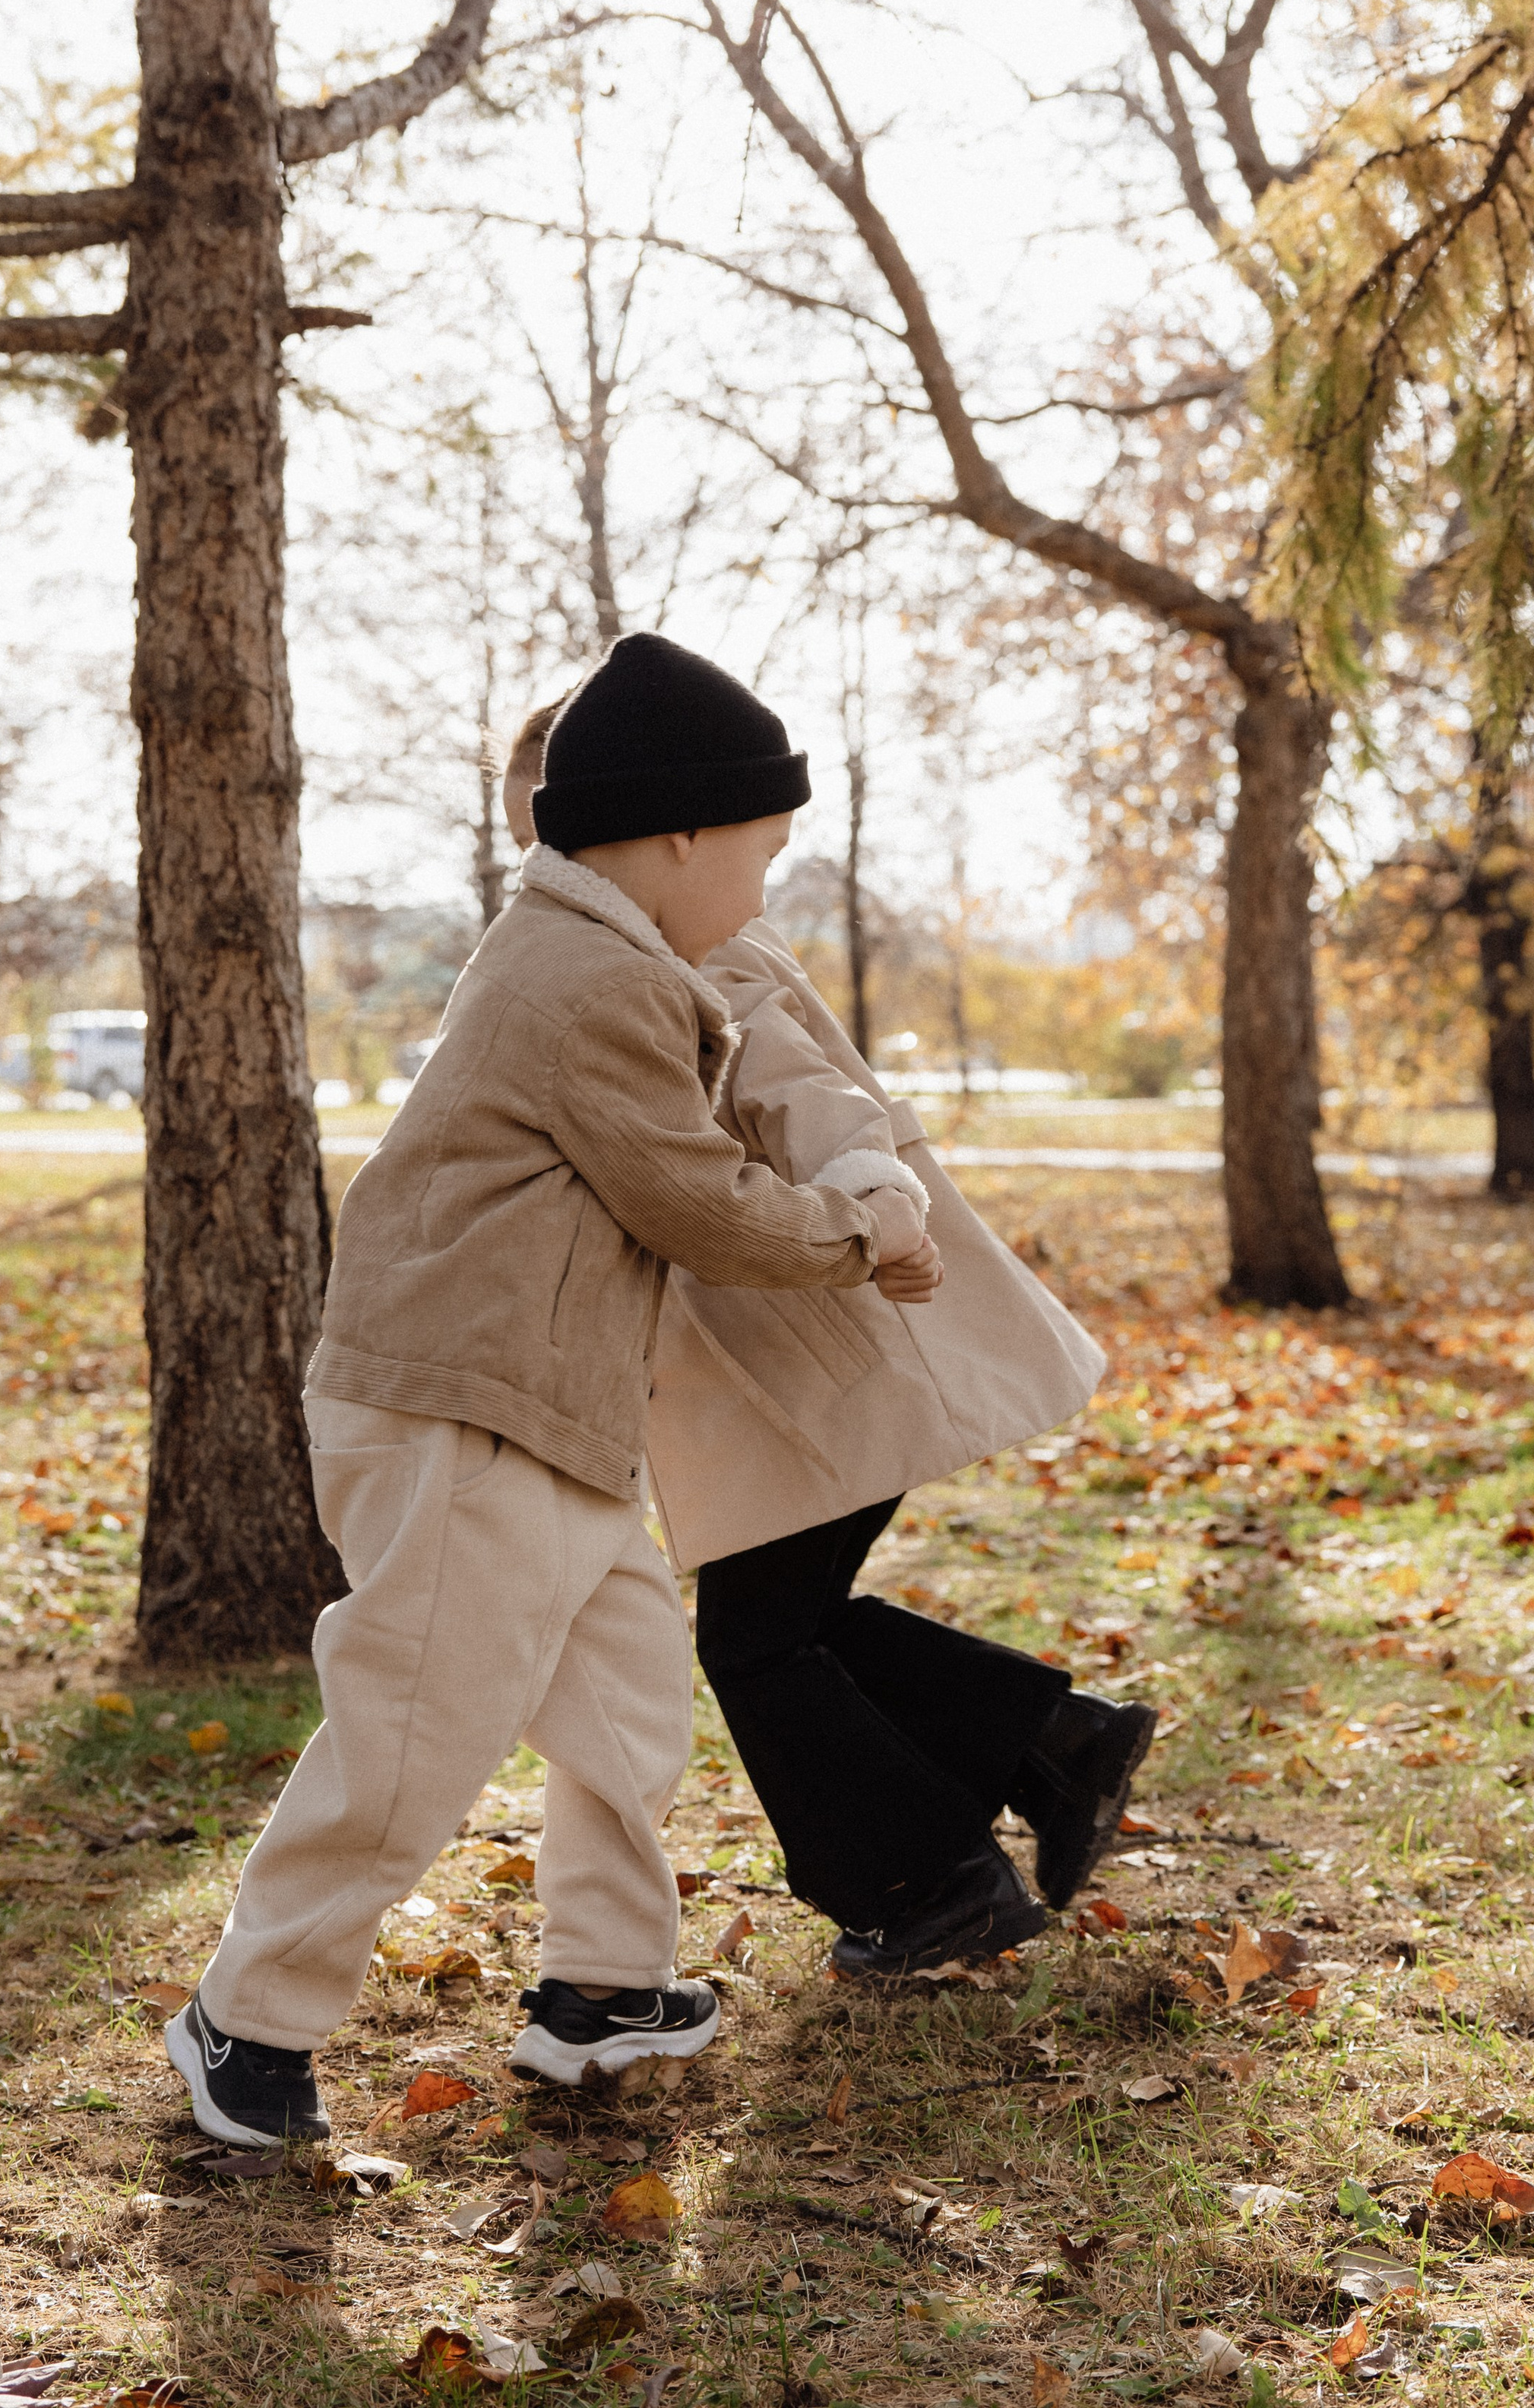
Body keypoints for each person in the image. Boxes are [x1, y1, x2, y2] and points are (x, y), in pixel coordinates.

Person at [165, 634, 941, 2145]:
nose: (768, 887)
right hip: (464, 1411)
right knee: (410, 1735)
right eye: (761, 849)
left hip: (551, 1420)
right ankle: (243, 2021)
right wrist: (860, 1230)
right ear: (675, 835)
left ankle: (603, 1994)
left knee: (624, 1707)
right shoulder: (583, 971)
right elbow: (697, 1203)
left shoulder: (605, 949)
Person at [497, 706, 1153, 1979]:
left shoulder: (706, 952)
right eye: (532, 825)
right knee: (790, 1626)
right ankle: (1053, 1748)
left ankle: (932, 1880)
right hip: (769, 1362)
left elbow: (808, 1091)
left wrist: (873, 1191)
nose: (552, 852)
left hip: (812, 1346)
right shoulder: (617, 947)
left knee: (759, 1643)